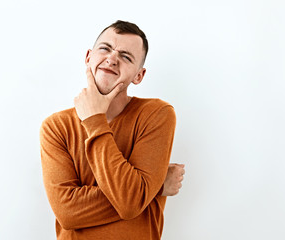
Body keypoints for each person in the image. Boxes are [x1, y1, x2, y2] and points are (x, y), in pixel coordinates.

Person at [40, 20, 185, 240]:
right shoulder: (56, 127)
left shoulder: (156, 114)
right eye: (105, 48)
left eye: (126, 56)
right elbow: (67, 213)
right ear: (88, 57)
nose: (112, 58)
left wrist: (93, 119)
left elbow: (130, 202)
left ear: (139, 75)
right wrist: (153, 188)